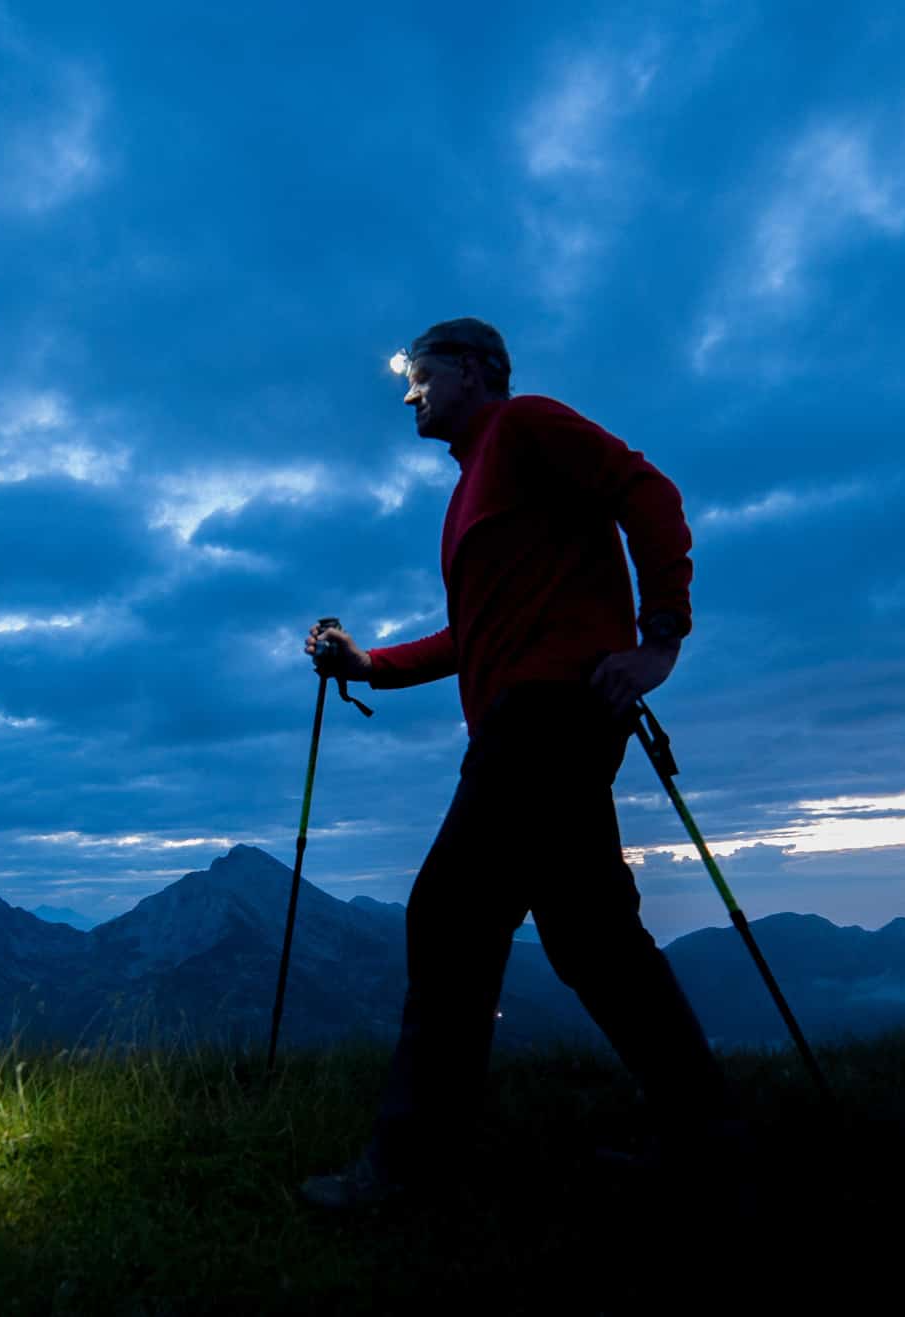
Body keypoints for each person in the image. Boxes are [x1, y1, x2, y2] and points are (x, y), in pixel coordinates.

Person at [298, 317, 742, 1210]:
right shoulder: (475, 485)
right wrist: (369, 666)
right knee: (593, 939)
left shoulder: (525, 424)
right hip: (543, 716)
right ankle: (706, 1146)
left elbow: (643, 488)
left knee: (451, 914)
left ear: (472, 370)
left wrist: (660, 640)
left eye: (420, 375)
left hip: (544, 716)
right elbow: (478, 633)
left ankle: (408, 1172)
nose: (408, 392)